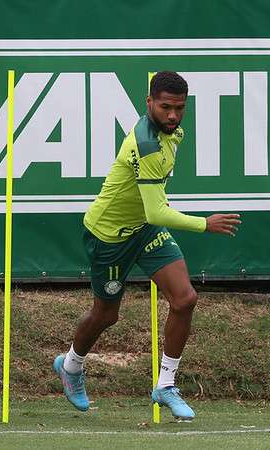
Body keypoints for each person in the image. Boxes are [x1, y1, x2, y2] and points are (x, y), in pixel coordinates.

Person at [53, 71, 241, 421]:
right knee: (106, 316)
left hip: (144, 230)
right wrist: (205, 224)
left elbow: (150, 212)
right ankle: (71, 365)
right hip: (108, 236)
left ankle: (166, 384)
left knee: (185, 299)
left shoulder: (174, 132)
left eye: (180, 108)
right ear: (149, 103)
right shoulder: (147, 144)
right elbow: (157, 209)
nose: (173, 115)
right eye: (165, 107)